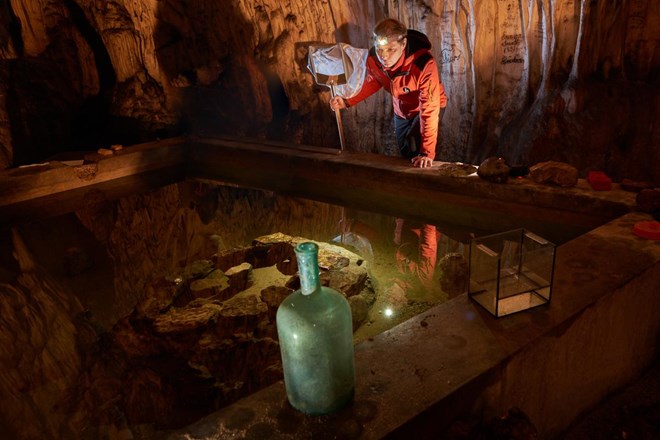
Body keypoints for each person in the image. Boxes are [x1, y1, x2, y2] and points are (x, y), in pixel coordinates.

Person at [330, 18, 448, 168]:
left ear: (403, 44)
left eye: (390, 49)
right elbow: (374, 80)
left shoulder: (424, 64)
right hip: (402, 109)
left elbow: (428, 109)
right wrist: (347, 101)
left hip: (428, 106)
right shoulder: (374, 58)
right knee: (405, 150)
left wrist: (426, 153)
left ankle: (421, 177)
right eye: (380, 49)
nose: (384, 56)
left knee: (415, 146)